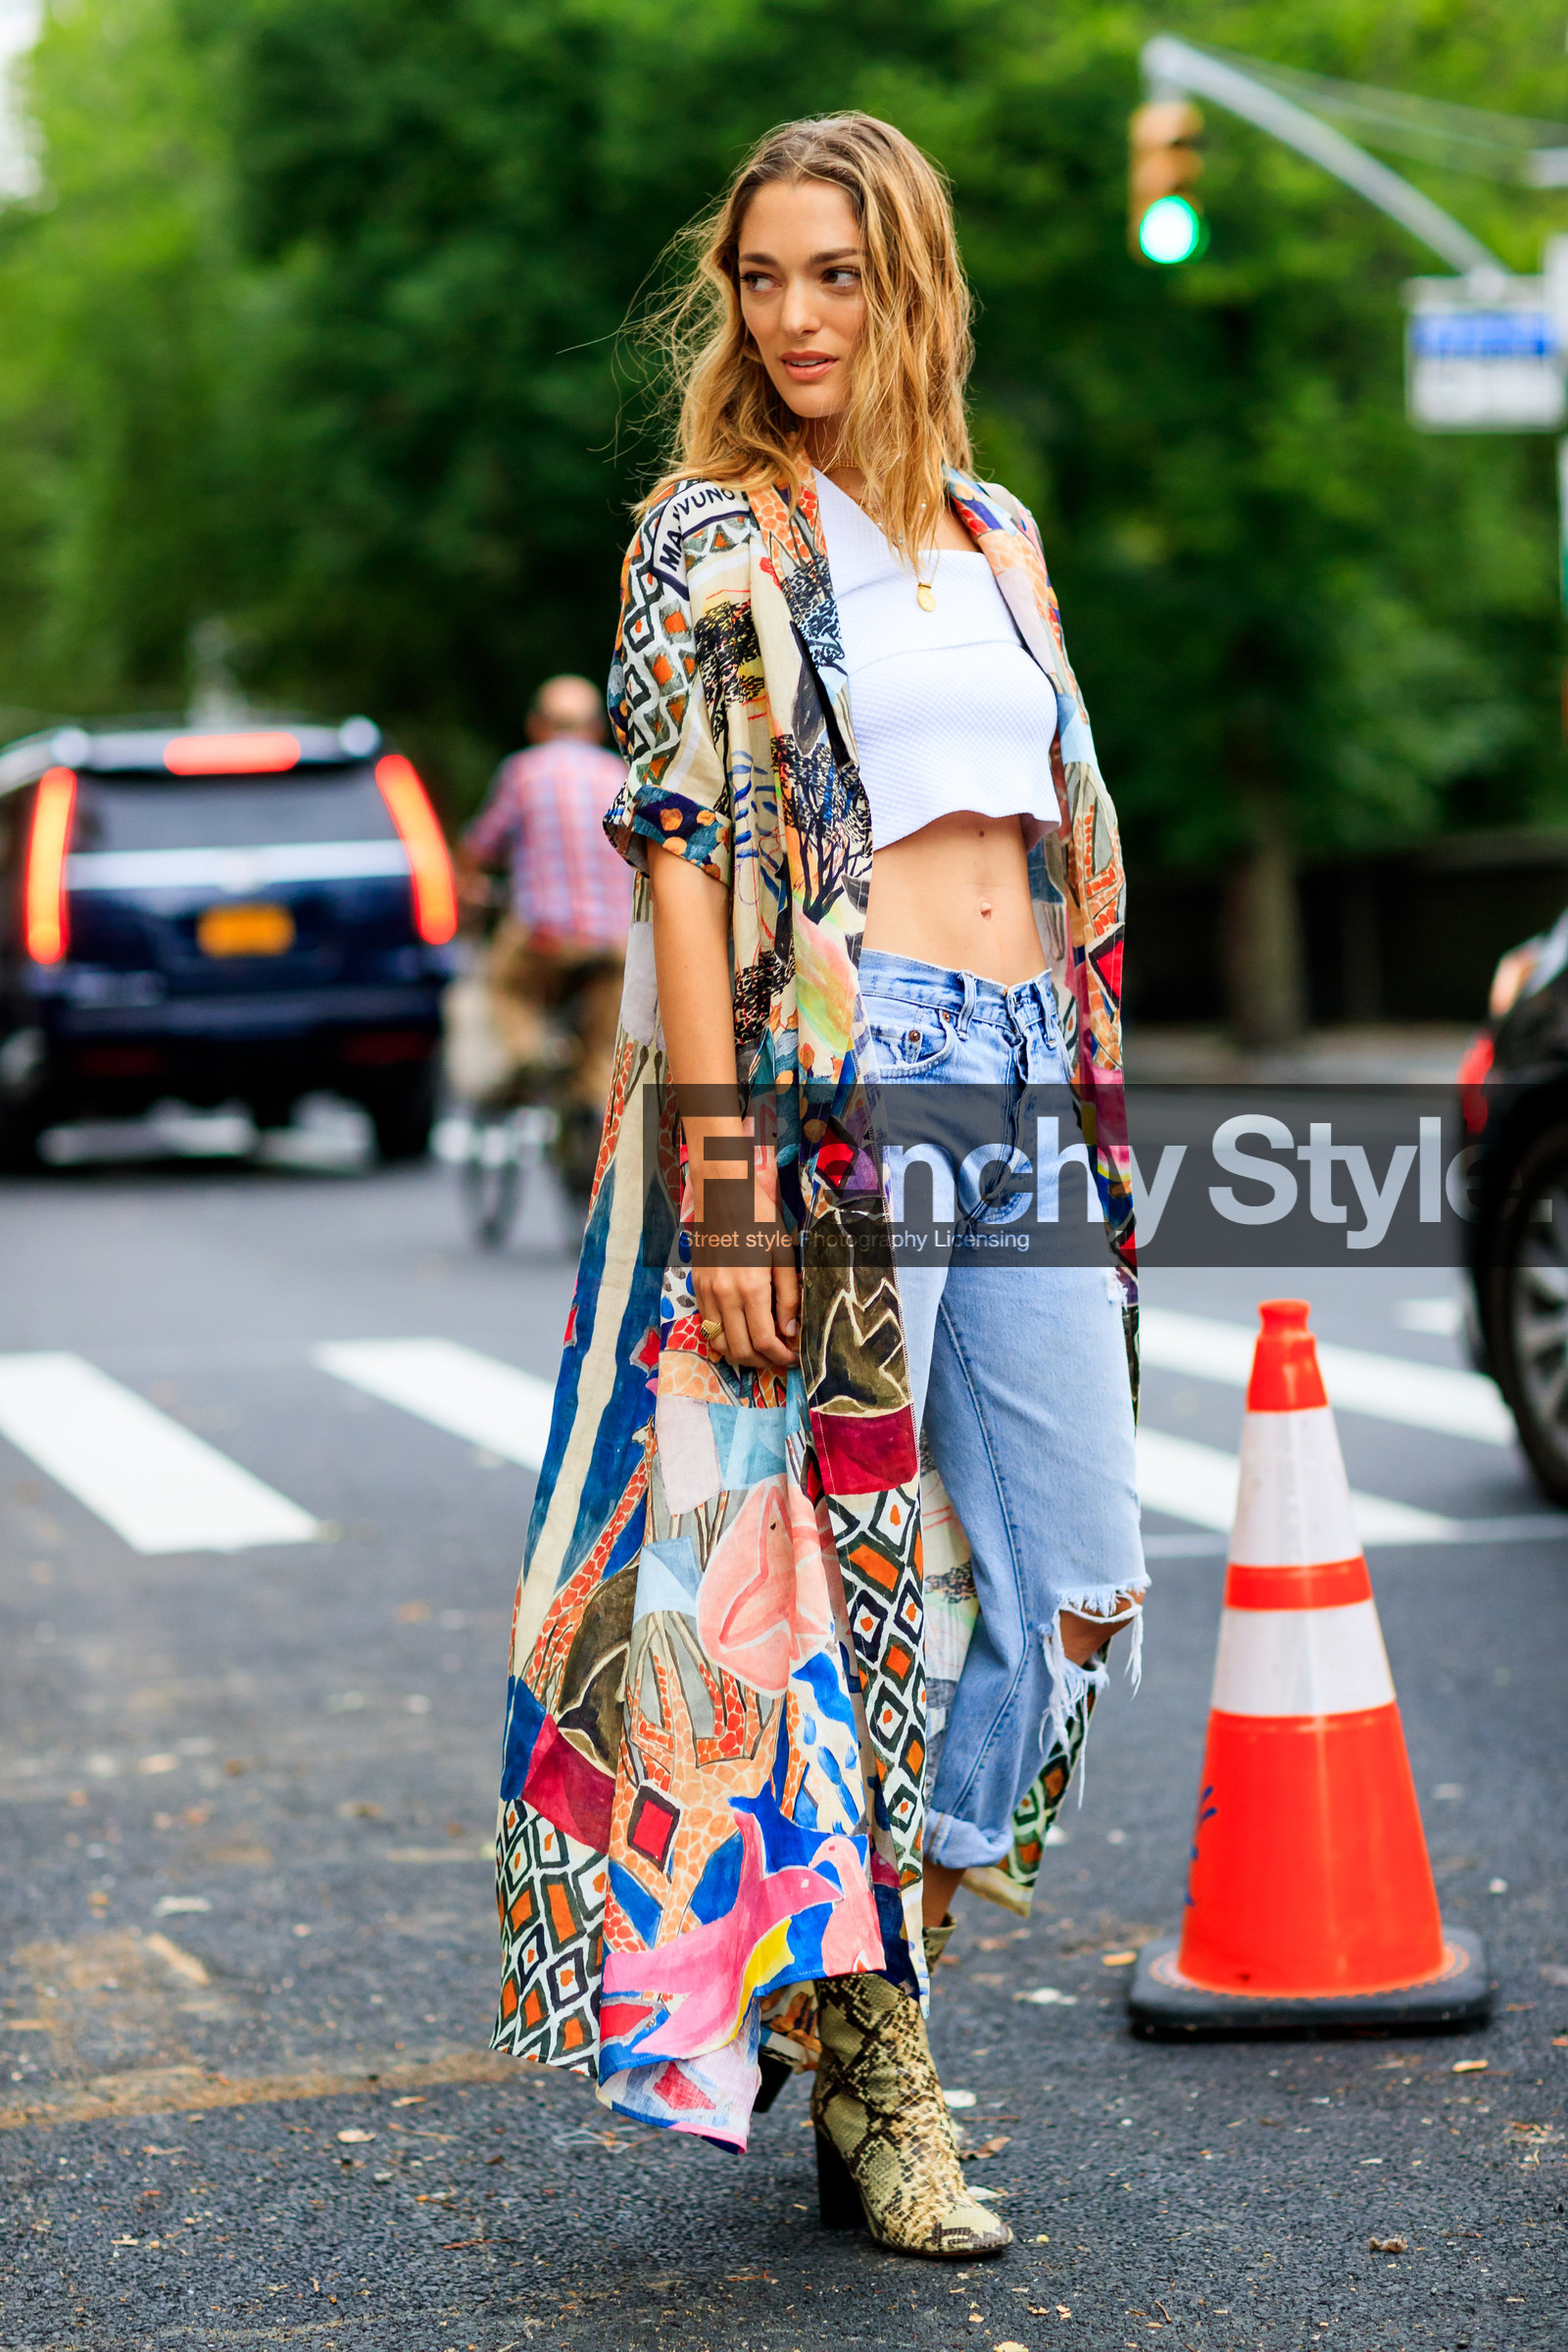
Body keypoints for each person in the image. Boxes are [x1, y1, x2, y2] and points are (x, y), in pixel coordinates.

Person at [491, 115, 1145, 2261]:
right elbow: (682, 874)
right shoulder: (706, 537)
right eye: (760, 276)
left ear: (909, 286)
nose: (790, 318)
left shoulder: (996, 532)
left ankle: (839, 1951)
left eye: (833, 276)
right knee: (852, 1605)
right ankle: (879, 2069)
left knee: (1062, 1590)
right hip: (844, 1103)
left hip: (1024, 1068)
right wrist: (728, 1185)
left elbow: (1052, 835)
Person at [456, 673, 632, 1178]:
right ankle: (589, 1107)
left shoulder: (523, 773)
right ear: (596, 728)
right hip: (612, 941)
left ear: (537, 725)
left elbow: (479, 849)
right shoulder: (617, 773)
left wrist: (472, 887)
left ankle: (533, 1056)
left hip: (544, 937)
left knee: (505, 986)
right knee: (604, 1043)